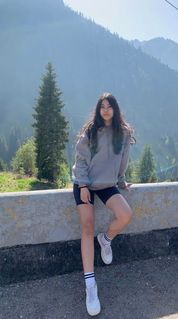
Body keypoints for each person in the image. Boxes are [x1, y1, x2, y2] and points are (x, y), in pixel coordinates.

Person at [72, 93, 135, 316]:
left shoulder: (124, 133)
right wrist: (83, 186)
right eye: (102, 107)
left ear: (115, 110)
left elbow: (122, 159)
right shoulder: (90, 132)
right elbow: (80, 162)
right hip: (85, 183)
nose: (106, 110)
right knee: (87, 226)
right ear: (98, 110)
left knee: (125, 215)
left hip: (108, 183)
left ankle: (105, 239)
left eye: (110, 107)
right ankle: (91, 286)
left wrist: (120, 180)